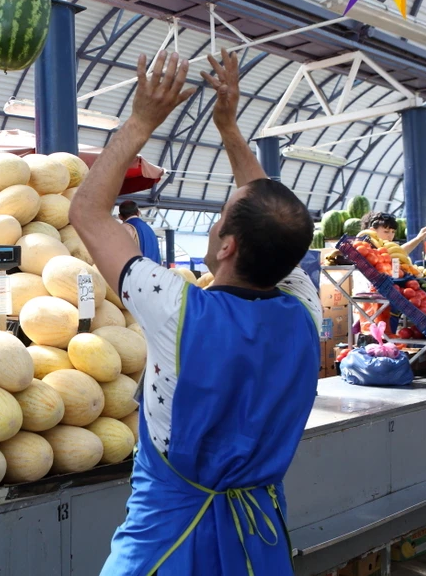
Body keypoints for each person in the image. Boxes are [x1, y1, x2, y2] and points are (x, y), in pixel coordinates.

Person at [70, 49, 321, 576]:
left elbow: (87, 210)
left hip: (164, 547)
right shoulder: (304, 310)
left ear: (226, 247)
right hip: (258, 546)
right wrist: (229, 127)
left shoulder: (176, 311)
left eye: (222, 218)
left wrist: (141, 119)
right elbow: (269, 207)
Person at [361, 211, 426, 257]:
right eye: (386, 231)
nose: (390, 236)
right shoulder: (364, 249)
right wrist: (418, 238)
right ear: (372, 231)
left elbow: (399, 252)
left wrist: (419, 238)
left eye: (393, 232)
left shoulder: (385, 248)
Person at [119, 200, 162, 264]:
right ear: (138, 213)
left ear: (120, 216)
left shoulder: (125, 228)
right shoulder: (149, 229)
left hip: (136, 271)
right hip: (154, 270)